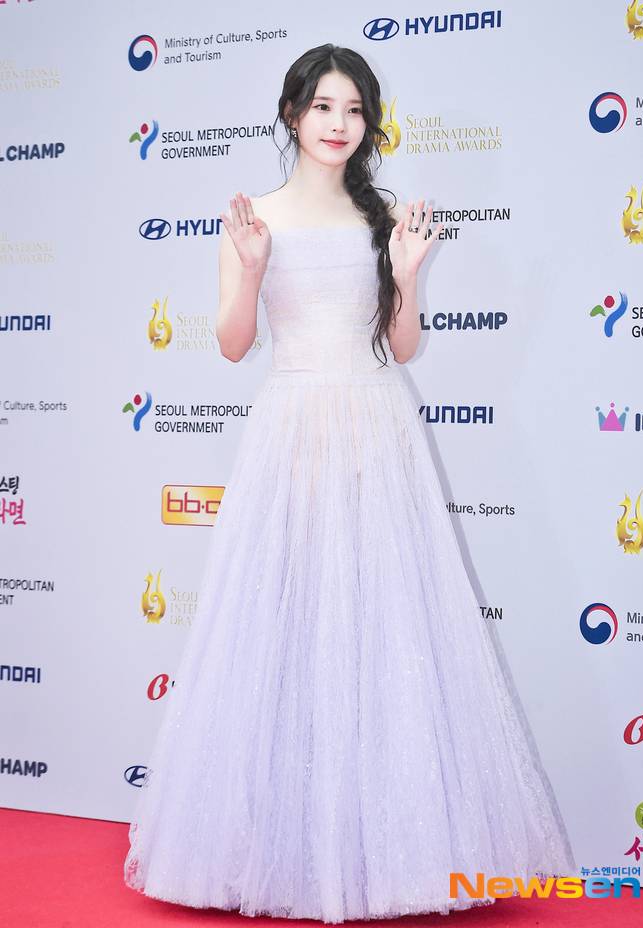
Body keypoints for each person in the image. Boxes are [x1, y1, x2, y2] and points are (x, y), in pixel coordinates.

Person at [124, 43, 576, 922]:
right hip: (292, 432)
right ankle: (286, 853)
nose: (340, 124)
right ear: (293, 113)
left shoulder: (386, 214)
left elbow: (400, 347)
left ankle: (392, 856)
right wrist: (252, 271)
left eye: (356, 110)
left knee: (383, 627)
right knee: (286, 629)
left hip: (377, 430)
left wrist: (405, 277)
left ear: (370, 121)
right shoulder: (253, 217)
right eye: (325, 107)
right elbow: (232, 345)